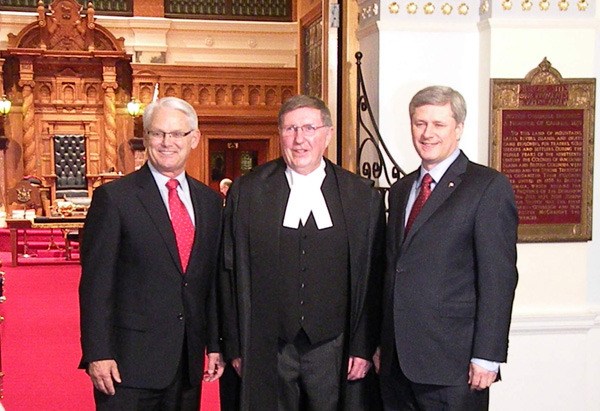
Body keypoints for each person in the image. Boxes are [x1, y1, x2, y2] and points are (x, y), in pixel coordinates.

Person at [220, 94, 385, 410]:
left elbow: (373, 278)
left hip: (333, 347)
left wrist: (363, 347)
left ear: (327, 135)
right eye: (290, 129)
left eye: (309, 128)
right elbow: (227, 271)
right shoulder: (249, 191)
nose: (299, 139)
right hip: (268, 345)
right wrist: (235, 347)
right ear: (280, 134)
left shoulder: (360, 196)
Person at [79, 96, 225, 410]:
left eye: (176, 134)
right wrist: (97, 352)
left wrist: (215, 343)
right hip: (127, 363)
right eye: (157, 133)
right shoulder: (114, 199)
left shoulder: (210, 203)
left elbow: (208, 282)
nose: (166, 142)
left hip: (186, 363)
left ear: (194, 139)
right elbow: (95, 284)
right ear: (146, 139)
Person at [379, 85, 518, 410]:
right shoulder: (400, 191)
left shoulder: (487, 187)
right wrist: (381, 342)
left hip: (454, 364)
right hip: (397, 363)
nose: (427, 133)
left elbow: (498, 279)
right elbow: (392, 270)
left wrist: (488, 355)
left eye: (439, 124)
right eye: (420, 123)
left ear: (458, 128)